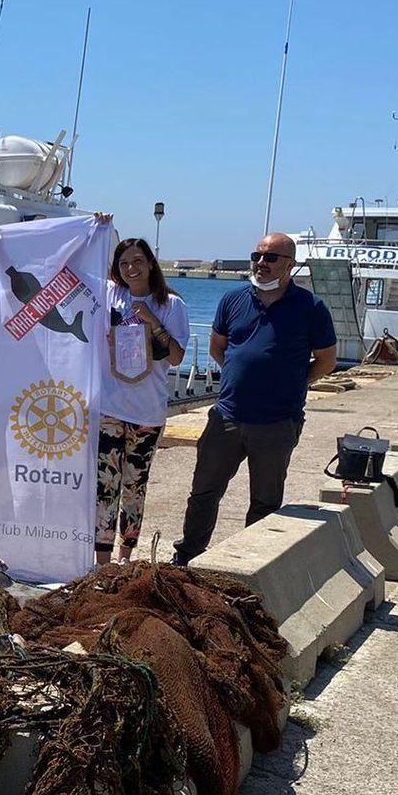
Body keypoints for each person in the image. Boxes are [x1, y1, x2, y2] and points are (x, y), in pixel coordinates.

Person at [173, 232, 337, 564]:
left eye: (271, 258)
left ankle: (250, 564)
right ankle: (188, 556)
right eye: (257, 256)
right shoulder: (233, 300)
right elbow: (218, 348)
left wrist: (294, 382)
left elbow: (327, 360)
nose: (261, 263)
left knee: (265, 500)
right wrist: (240, 372)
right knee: (204, 492)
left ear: (289, 265)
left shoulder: (311, 308)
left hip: (277, 422)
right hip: (227, 417)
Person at [96, 237, 189, 565]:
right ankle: (102, 561)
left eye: (137, 261)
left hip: (148, 413)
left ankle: (125, 555)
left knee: (134, 487)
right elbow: (76, 272)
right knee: (105, 484)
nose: (131, 268)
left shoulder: (172, 305)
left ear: (150, 263)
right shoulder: (110, 295)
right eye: (123, 263)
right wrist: (100, 227)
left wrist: (152, 321)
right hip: (110, 408)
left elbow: (176, 357)